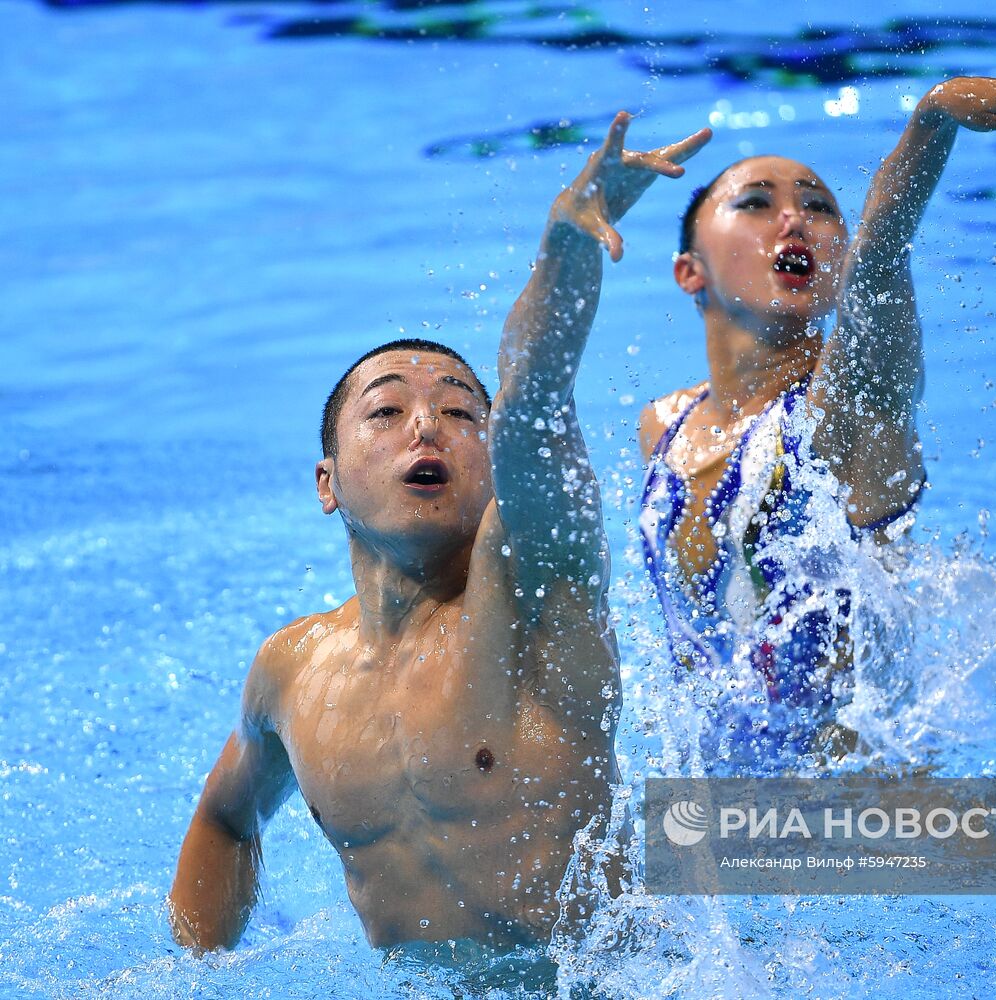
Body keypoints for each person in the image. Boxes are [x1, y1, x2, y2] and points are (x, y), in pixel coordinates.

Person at [167, 113, 710, 972]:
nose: (428, 425)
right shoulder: (292, 671)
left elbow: (536, 399)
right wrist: (189, 977)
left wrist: (564, 249)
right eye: (386, 411)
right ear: (328, 483)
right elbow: (228, 821)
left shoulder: (534, 591)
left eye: (461, 413)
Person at [635, 42, 996, 770]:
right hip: (727, 813)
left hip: (863, 808)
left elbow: (881, 255)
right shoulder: (665, 425)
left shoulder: (850, 407)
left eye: (818, 209)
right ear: (687, 271)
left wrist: (932, 120)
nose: (793, 221)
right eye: (756, 204)